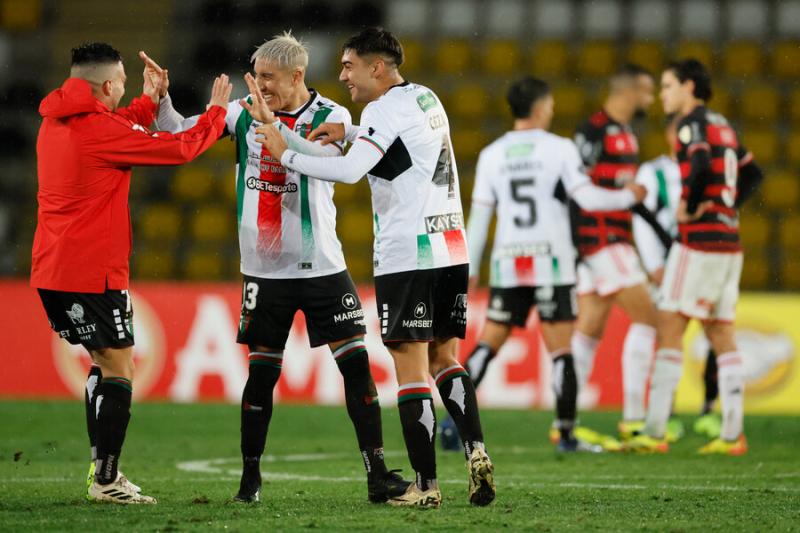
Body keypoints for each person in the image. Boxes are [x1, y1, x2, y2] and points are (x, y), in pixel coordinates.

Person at [153, 32, 409, 503]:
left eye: (269, 78)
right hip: (265, 272)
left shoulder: (332, 115)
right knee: (262, 377)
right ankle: (250, 478)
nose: (260, 86)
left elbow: (327, 160)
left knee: (356, 370)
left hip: (322, 268)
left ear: (297, 76)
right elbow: (182, 132)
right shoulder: (243, 112)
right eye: (257, 78)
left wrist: (277, 130)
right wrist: (162, 101)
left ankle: (377, 474)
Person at [256, 27, 495, 508]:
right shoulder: (426, 98)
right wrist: (349, 132)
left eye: (349, 65)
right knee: (445, 359)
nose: (342, 75)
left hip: (407, 253)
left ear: (376, 67)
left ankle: (425, 486)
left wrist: (287, 154)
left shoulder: (380, 110)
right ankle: (476, 451)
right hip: (450, 245)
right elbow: (403, 152)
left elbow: (347, 171)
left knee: (410, 369)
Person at [32, 42, 232, 504]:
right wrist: (216, 114)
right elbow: (180, 149)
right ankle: (105, 479)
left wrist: (150, 99)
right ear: (106, 85)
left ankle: (101, 472)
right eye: (122, 83)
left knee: (106, 363)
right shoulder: (98, 130)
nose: (125, 89)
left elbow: (118, 124)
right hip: (89, 270)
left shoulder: (57, 119)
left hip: (54, 266)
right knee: (120, 365)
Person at [440, 76, 646, 454]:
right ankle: (566, 434)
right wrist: (627, 196)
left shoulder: (492, 154)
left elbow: (480, 221)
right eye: (549, 105)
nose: (551, 110)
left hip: (509, 261)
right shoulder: (560, 149)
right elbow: (588, 199)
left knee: (489, 343)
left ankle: (453, 425)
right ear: (538, 108)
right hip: (552, 261)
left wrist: (465, 271)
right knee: (561, 351)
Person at [629, 58, 763, 455]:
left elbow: (701, 164)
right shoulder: (723, 124)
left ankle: (654, 431)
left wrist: (690, 205)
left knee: (669, 324)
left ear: (689, 87)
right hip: (729, 241)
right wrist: (726, 206)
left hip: (699, 243)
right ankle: (731, 434)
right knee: (721, 332)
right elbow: (753, 175)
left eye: (668, 86)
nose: (664, 95)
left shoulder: (692, 125)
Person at [570, 64, 659, 442]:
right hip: (601, 242)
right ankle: (635, 420)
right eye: (648, 91)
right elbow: (573, 188)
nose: (651, 100)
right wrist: (578, 244)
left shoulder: (627, 134)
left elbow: (625, 198)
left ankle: (565, 422)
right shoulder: (592, 131)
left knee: (589, 331)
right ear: (631, 90)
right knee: (650, 319)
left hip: (610, 241)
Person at [633, 115, 719, 442]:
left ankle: (710, 409)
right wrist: (653, 263)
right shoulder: (652, 172)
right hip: (668, 267)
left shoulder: (708, 169)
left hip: (704, 261)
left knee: (715, 333)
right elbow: (640, 220)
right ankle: (666, 413)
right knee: (668, 335)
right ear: (669, 133)